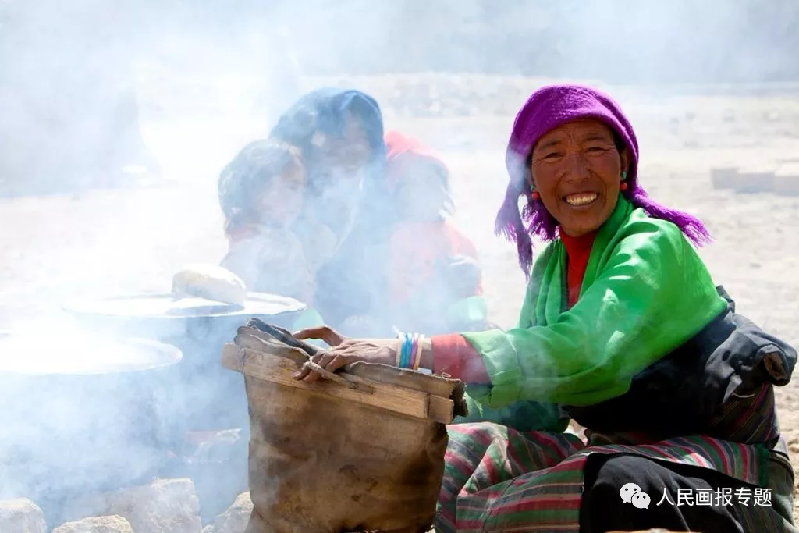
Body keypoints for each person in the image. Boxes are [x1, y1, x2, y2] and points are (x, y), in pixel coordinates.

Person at [291, 84, 797, 532]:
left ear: (624, 166)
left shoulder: (650, 244)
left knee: (610, 488)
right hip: (625, 454)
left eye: (596, 149)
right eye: (552, 155)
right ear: (530, 179)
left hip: (726, 479)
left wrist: (411, 350)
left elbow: (580, 350)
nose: (576, 171)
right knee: (446, 457)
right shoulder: (553, 266)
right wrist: (410, 396)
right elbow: (535, 406)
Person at [218, 87, 391, 334]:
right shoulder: (264, 230)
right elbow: (236, 298)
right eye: (338, 137)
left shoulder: (370, 197)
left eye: (361, 138)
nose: (349, 149)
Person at [383, 130, 489, 335]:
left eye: (431, 181)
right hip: (410, 342)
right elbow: (390, 303)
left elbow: (475, 303)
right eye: (410, 184)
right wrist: (436, 288)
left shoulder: (461, 241)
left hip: (457, 337)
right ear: (394, 194)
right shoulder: (395, 239)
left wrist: (472, 277)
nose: (422, 191)